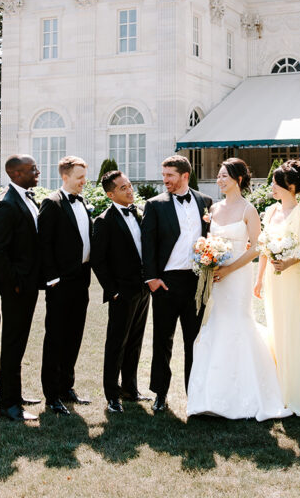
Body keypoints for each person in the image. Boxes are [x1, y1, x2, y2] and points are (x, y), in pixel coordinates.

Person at [187, 159, 291, 420]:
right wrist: (209, 260)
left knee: (238, 322)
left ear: (239, 179)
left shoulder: (248, 209)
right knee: (218, 322)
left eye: (224, 176)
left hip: (238, 274)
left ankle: (247, 393)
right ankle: (211, 395)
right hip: (217, 276)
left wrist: (229, 269)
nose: (220, 180)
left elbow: (256, 247)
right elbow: (209, 240)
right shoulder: (214, 208)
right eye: (219, 176)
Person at [141, 155, 212, 413]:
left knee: (195, 340)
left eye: (169, 175)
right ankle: (160, 393)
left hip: (195, 281)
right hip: (166, 282)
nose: (165, 180)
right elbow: (147, 243)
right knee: (163, 340)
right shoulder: (155, 205)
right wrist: (152, 279)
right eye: (164, 175)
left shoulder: (205, 202)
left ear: (185, 176)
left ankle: (195, 393)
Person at [254, 159, 300, 415]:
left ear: (290, 186)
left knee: (293, 330)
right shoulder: (270, 212)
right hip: (272, 279)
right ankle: (277, 388)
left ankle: (295, 392)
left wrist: (288, 262)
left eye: (275, 184)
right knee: (276, 329)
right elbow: (263, 248)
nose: (272, 188)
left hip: (293, 277)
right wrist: (259, 279)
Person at [0, 154, 43, 421]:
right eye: (33, 169)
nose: (38, 172)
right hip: (17, 288)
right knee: (12, 344)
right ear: (16, 174)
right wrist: (15, 284)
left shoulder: (28, 198)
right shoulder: (6, 204)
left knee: (18, 343)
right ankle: (8, 403)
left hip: (29, 284)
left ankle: (14, 394)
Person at [37, 156, 93, 415]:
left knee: (74, 335)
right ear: (65, 176)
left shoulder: (82, 201)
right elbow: (44, 244)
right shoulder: (52, 203)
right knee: (56, 338)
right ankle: (51, 395)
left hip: (81, 279)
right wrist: (53, 279)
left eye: (84, 177)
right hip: (60, 283)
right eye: (80, 177)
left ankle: (66, 386)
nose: (84, 181)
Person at [92, 170, 151, 413]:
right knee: (116, 343)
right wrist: (113, 291)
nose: (130, 190)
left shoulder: (138, 213)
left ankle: (130, 389)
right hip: (122, 292)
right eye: (123, 188)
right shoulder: (104, 221)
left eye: (129, 185)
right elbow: (98, 260)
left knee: (135, 340)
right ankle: (112, 395)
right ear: (110, 194)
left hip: (143, 289)